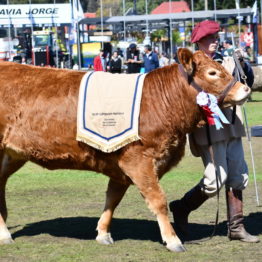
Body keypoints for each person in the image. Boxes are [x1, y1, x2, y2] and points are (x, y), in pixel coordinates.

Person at [169, 20, 259, 243]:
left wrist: (242, 66)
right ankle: (181, 207)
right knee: (214, 180)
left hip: (232, 123)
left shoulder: (224, 59)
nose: (215, 42)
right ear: (199, 41)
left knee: (239, 174)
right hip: (208, 128)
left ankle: (236, 227)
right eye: (210, 38)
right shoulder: (193, 65)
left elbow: (247, 82)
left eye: (216, 38)